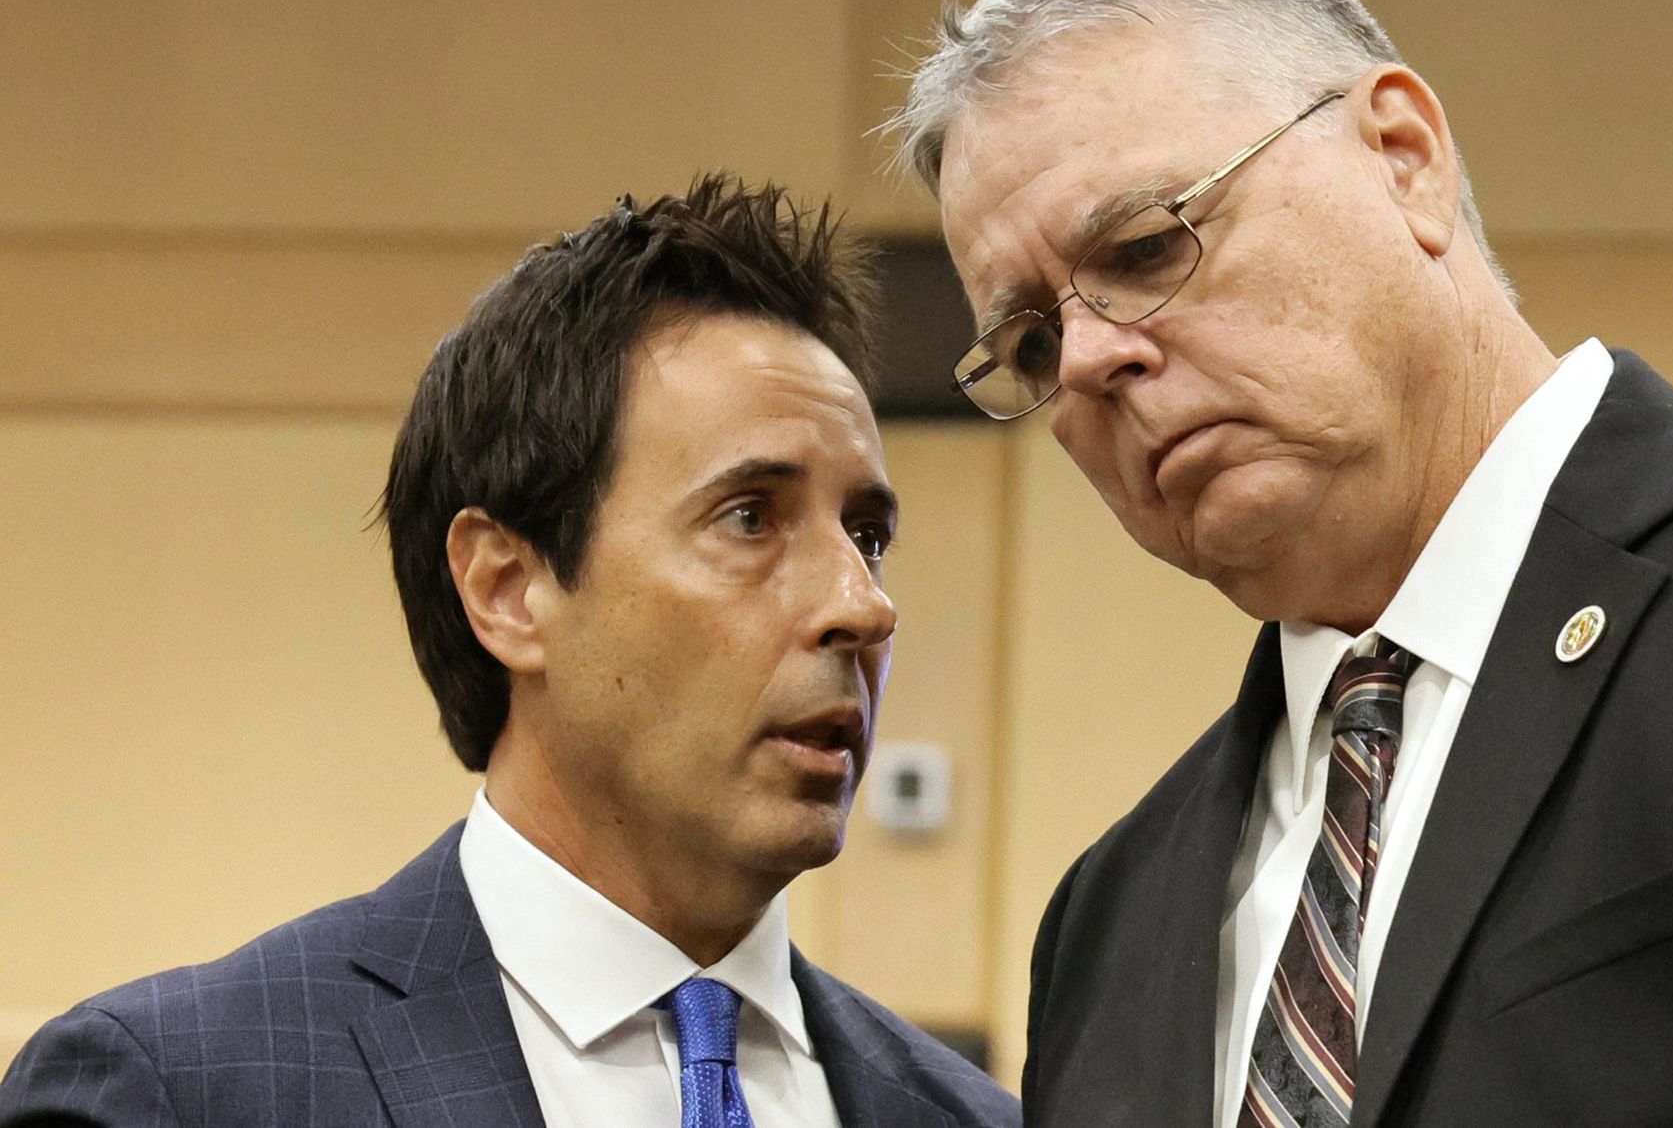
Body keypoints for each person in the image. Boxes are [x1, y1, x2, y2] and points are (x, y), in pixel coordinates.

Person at [896, 0, 1673, 1128]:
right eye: (1030, 338)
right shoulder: (1108, 916)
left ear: (1402, 156)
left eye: (1144, 246)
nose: (1089, 362)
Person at [0, 178, 1021, 1128]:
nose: (865, 605)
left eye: (868, 536)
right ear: (507, 589)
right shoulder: (182, 1092)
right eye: (750, 517)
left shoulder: (972, 1116)